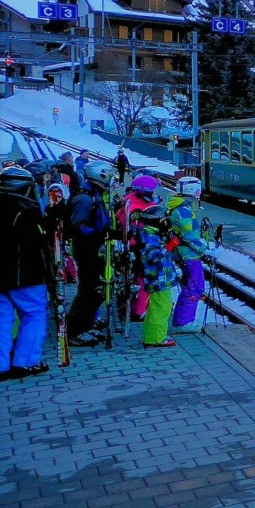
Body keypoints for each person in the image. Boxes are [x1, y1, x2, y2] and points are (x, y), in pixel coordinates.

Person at [0, 166, 52, 380]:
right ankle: (26, 361)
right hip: (25, 275)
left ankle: (1, 364)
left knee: (2, 318)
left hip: (2, 276)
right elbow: (38, 244)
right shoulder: (26, 209)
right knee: (34, 314)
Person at [64, 162, 113, 347]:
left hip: (94, 249)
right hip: (87, 251)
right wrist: (99, 233)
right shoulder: (84, 198)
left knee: (97, 290)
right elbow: (77, 226)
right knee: (88, 290)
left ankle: (85, 325)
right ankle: (74, 330)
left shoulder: (93, 194)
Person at [168, 182, 208, 334]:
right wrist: (205, 249)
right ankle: (183, 322)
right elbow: (188, 235)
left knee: (190, 286)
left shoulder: (179, 206)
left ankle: (182, 320)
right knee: (195, 287)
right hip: (189, 255)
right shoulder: (184, 210)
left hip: (184, 253)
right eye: (198, 190)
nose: (200, 193)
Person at [134, 205, 176, 348]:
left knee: (155, 307)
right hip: (158, 277)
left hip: (158, 277)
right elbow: (152, 256)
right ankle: (158, 338)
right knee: (162, 307)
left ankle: (150, 336)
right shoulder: (149, 235)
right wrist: (169, 246)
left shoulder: (150, 232)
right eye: (164, 220)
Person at [121, 175, 160, 322]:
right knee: (144, 278)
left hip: (137, 245)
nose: (154, 195)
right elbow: (133, 228)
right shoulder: (135, 208)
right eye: (153, 192)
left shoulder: (131, 201)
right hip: (138, 246)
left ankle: (138, 307)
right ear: (145, 192)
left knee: (140, 278)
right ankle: (140, 310)